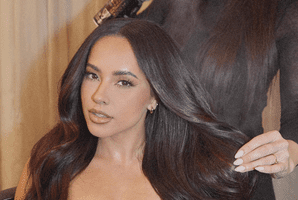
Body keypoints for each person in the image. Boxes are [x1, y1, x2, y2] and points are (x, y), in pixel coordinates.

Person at [15, 18, 257, 200]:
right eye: (92, 75)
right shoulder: (50, 162)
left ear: (155, 96)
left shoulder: (199, 174)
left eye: (124, 82)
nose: (98, 96)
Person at [127, 0, 298, 199]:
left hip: (236, 180)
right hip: (166, 178)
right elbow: (106, 59)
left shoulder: (286, 10)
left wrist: (291, 150)